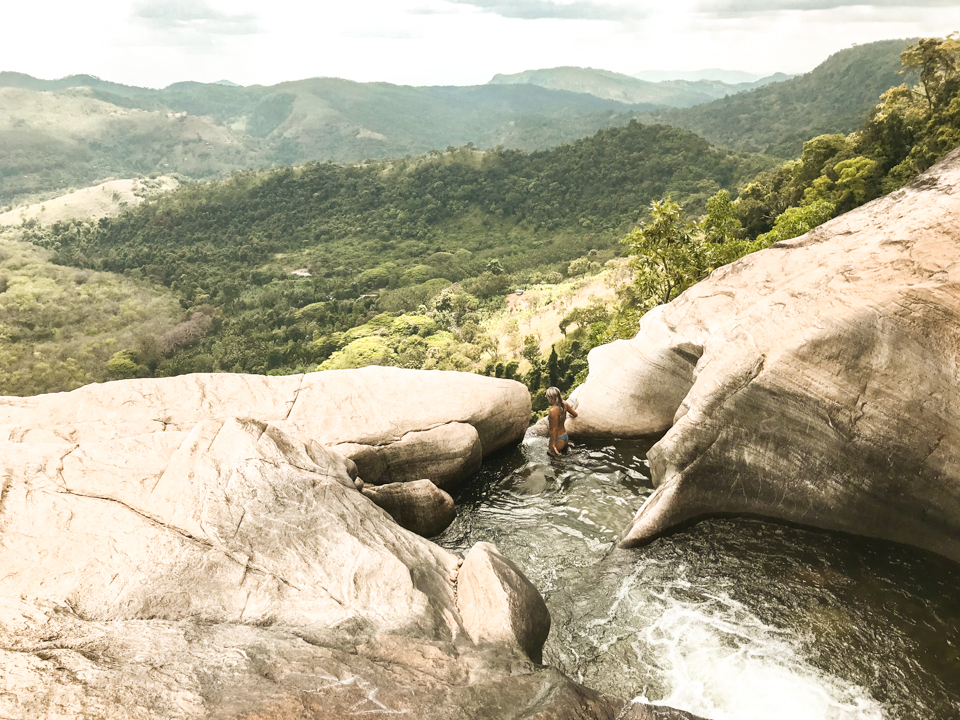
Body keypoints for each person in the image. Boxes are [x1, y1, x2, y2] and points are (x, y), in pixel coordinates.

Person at [546, 386, 578, 457]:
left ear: (550, 397)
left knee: (555, 465)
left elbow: (555, 429)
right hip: (565, 436)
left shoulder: (553, 411)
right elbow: (575, 414)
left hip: (557, 440)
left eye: (547, 396)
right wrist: (569, 416)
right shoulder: (564, 404)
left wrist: (553, 445)